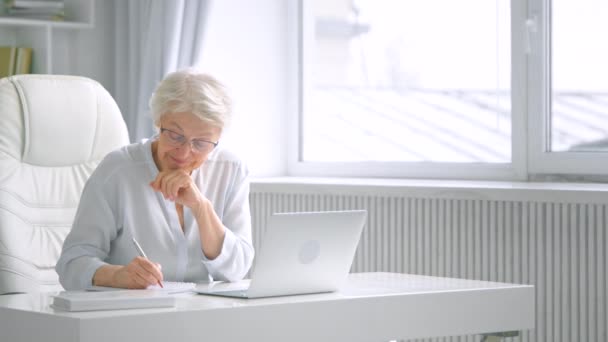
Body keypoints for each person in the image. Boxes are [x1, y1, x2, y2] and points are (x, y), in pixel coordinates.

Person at [56, 69, 254, 290]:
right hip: (132, 312)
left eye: (201, 143)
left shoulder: (231, 169)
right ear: (159, 122)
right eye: (175, 136)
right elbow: (71, 264)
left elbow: (237, 270)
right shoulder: (118, 170)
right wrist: (118, 275)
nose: (184, 153)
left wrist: (201, 207)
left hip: (201, 312)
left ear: (217, 138)